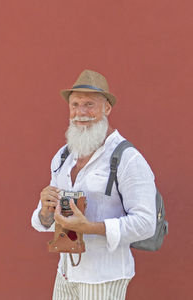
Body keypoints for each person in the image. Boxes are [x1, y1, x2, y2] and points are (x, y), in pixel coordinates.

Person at [31, 69, 156, 300]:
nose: (81, 112)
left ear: (107, 108)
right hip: (66, 273)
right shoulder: (63, 157)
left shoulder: (128, 159)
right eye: (75, 104)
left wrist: (90, 228)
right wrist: (46, 210)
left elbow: (146, 224)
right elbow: (45, 222)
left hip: (104, 277)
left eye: (89, 104)